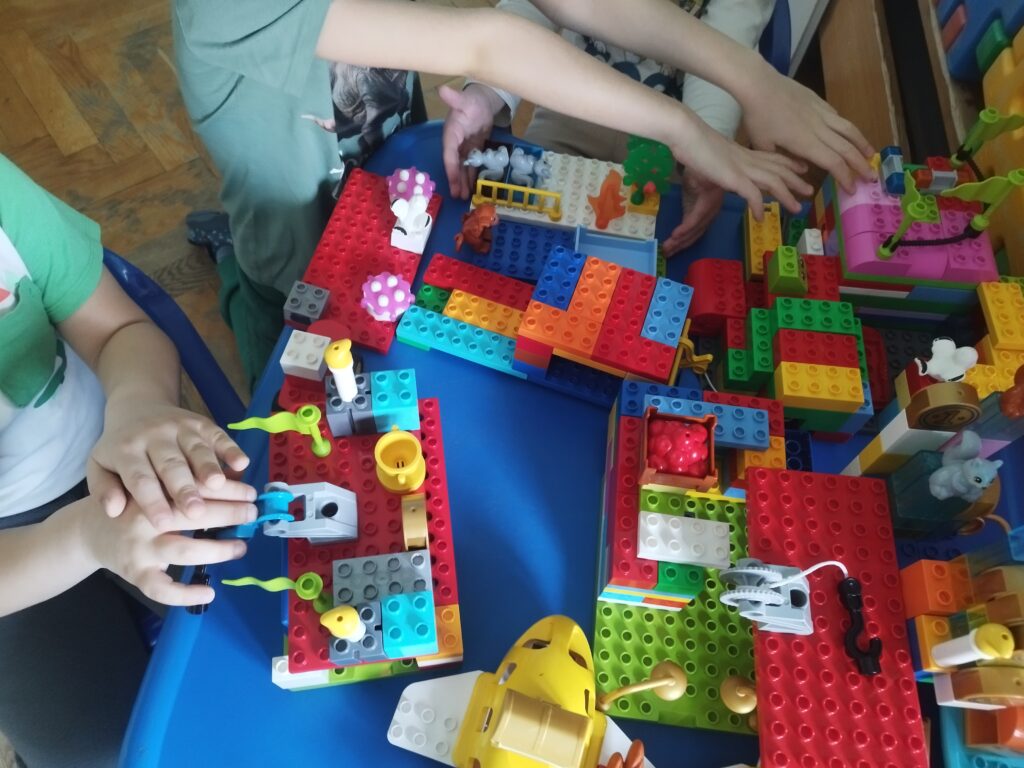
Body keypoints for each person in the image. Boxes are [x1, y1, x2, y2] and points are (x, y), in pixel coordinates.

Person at [174, 0, 829, 389]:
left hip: (383, 162)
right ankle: (235, 267)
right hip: (294, 222)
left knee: (384, 287)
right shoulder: (225, 11)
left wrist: (747, 81)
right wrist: (687, 128)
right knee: (289, 326)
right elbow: (487, 43)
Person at [0, 154, 257, 768]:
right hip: (15, 563)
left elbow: (120, 331)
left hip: (113, 444)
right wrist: (81, 539)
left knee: (276, 605)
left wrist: (138, 403)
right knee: (96, 751)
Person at [441, 0, 876, 256]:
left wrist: (708, 147)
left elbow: (727, 47)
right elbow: (527, 11)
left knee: (659, 247)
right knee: (521, 222)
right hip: (573, 107)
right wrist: (486, 92)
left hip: (675, 141)